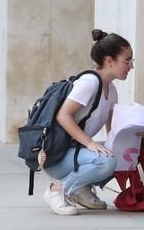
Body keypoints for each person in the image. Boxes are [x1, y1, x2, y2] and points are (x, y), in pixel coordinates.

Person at [42, 29, 133, 216]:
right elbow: (63, 115)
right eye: (127, 60)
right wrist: (90, 143)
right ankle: (59, 189)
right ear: (109, 61)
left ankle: (80, 188)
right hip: (58, 155)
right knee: (106, 161)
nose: (131, 66)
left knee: (124, 153)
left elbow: (113, 132)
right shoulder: (89, 83)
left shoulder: (111, 90)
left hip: (75, 152)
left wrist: (133, 137)